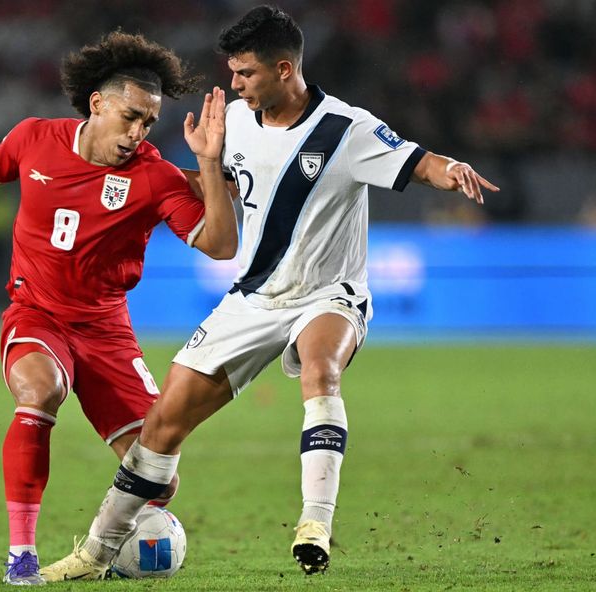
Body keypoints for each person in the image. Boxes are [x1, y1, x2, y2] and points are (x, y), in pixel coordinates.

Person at [41, 5, 499, 581]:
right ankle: (95, 554)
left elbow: (418, 161)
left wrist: (451, 168)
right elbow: (223, 191)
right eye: (233, 72)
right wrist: (205, 163)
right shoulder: (233, 121)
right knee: (162, 425)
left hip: (330, 293)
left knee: (320, 371)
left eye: (246, 73)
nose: (235, 84)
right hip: (254, 298)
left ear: (284, 69)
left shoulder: (346, 129)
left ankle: (315, 523)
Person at [0, 31, 236, 586]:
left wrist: (207, 164)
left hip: (106, 329)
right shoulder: (33, 138)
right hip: (37, 314)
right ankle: (22, 558)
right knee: (39, 392)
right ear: (97, 104)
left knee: (158, 480)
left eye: (149, 123)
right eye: (130, 117)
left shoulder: (153, 176)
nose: (138, 133)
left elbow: (221, 246)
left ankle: (115, 544)